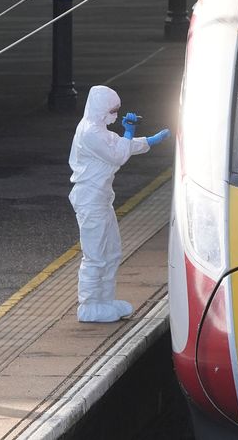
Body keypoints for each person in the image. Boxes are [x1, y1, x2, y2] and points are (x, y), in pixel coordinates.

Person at [68, 85, 170, 323]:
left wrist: (148, 141)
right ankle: (89, 305)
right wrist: (128, 133)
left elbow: (120, 145)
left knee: (111, 252)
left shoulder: (99, 130)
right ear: (101, 108)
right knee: (95, 255)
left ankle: (105, 300)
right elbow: (117, 155)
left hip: (101, 199)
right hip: (90, 200)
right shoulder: (90, 133)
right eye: (113, 110)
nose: (115, 114)